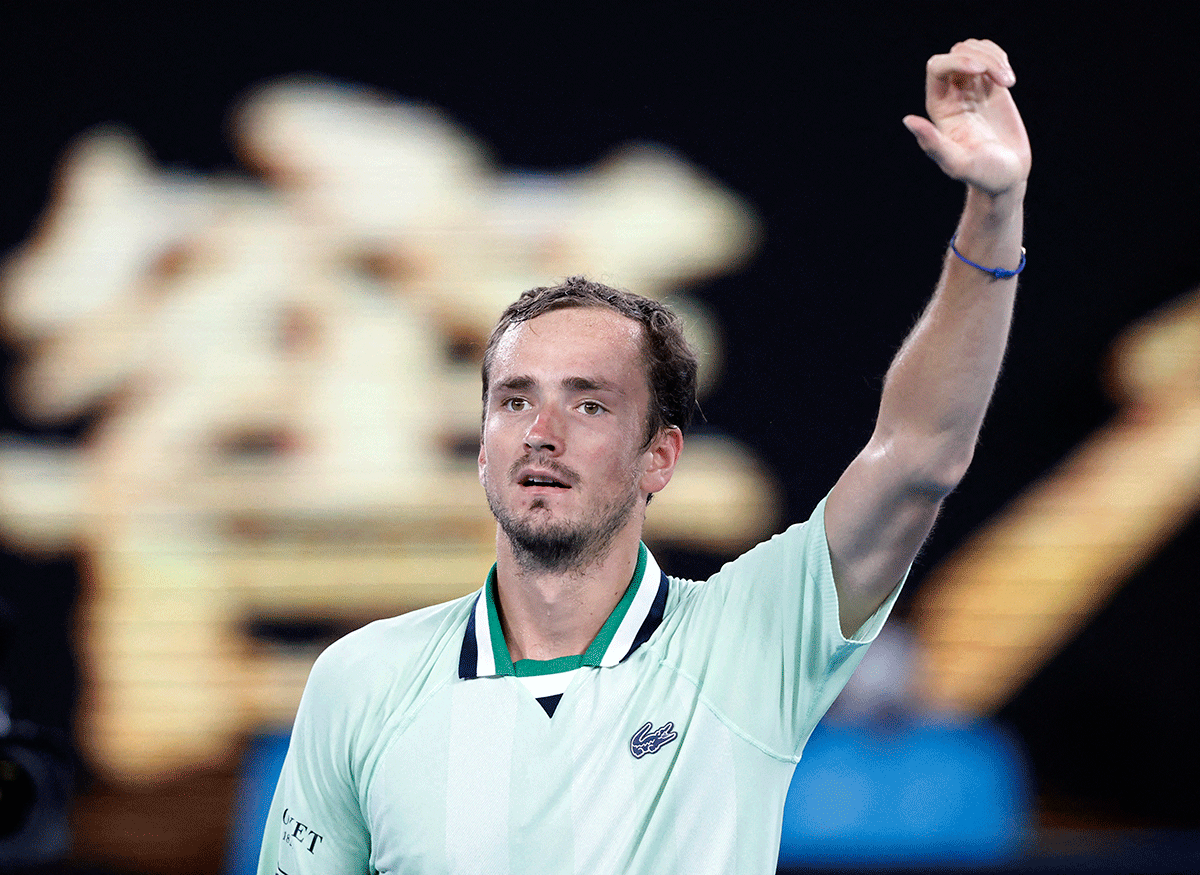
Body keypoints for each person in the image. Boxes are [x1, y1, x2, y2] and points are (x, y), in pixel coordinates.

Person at [258, 38, 1030, 875]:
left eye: (588, 402)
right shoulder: (360, 682)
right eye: (514, 399)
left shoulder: (748, 644)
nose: (540, 431)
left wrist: (993, 207)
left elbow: (919, 452)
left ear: (660, 457)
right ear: (481, 443)